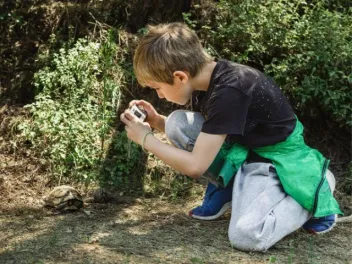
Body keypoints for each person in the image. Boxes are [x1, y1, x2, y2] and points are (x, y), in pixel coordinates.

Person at [120, 22, 342, 252]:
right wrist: (156, 122)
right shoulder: (204, 80)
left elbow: (196, 165)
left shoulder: (230, 90)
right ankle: (229, 186)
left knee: (247, 235)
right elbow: (210, 136)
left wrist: (147, 139)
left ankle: (317, 186)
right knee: (176, 123)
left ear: (180, 77)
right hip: (246, 151)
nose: (159, 94)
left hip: (276, 161)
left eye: (157, 88)